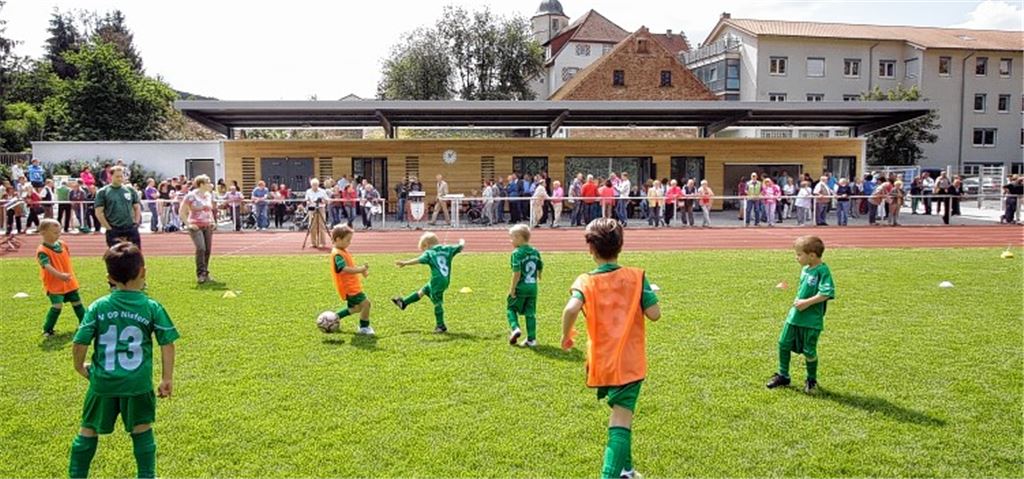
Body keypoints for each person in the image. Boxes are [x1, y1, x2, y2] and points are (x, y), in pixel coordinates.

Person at [68, 242, 179, 479]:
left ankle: (77, 475)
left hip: (102, 384)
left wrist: (79, 367)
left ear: (109, 277)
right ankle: (146, 475)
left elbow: (80, 342)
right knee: (141, 429)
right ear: (143, 272)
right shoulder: (150, 307)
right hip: (137, 384)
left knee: (88, 430)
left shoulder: (98, 307)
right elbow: (167, 342)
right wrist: (166, 377)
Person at [560, 218, 660, 479]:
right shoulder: (637, 277)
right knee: (621, 420)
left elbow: (571, 308)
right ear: (621, 246)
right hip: (629, 362)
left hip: (602, 362)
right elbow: (655, 314)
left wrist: (566, 336)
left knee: (620, 415)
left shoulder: (585, 281)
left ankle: (626, 469)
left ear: (590, 249)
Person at [766, 236, 835, 394]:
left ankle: (811, 380)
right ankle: (783, 375)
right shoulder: (805, 269)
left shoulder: (822, 271)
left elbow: (826, 292)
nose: (796, 258)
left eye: (799, 255)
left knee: (809, 350)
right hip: (795, 316)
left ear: (811, 255)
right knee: (783, 343)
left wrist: (806, 303)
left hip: (811, 320)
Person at [391, 233, 465, 334]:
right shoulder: (448, 249)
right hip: (444, 279)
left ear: (426, 244)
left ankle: (440, 325)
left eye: (423, 248)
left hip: (437, 280)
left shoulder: (430, 252)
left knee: (437, 302)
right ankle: (404, 303)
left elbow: (418, 260)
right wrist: (461, 241)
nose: (423, 251)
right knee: (423, 291)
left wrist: (405, 263)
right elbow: (460, 247)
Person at [36, 219, 86, 336]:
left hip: (69, 282)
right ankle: (47, 329)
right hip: (55, 284)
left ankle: (85, 323)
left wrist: (67, 275)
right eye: (54, 233)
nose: (58, 235)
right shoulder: (42, 250)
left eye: (59, 232)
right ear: (43, 232)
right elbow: (46, 266)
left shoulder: (63, 245)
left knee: (77, 303)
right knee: (57, 306)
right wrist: (60, 275)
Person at [328, 225, 374, 335]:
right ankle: (364, 327)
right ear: (338, 239)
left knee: (357, 307)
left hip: (352, 286)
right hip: (349, 288)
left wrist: (361, 270)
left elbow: (349, 266)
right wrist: (360, 269)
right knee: (366, 304)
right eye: (348, 240)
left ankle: (334, 318)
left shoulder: (342, 251)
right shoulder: (337, 254)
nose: (350, 243)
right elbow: (343, 269)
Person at [506, 224, 543, 347]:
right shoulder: (535, 251)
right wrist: (539, 276)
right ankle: (531, 339)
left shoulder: (517, 253)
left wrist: (512, 289)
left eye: (512, 238)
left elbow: (517, 273)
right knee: (530, 313)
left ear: (519, 238)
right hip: (533, 287)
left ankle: (515, 328)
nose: (511, 241)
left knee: (511, 308)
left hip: (521, 286)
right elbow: (540, 265)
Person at [178, 175, 218, 284]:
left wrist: (213, 221)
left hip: (207, 225)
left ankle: (205, 273)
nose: (211, 184)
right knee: (201, 248)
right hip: (196, 225)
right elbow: (182, 211)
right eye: (208, 182)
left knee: (207, 250)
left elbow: (209, 210)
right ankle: (200, 273)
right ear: (201, 184)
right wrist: (188, 224)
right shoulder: (191, 196)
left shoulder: (208, 195)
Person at [94, 166, 142, 248]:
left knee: (135, 256)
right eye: (117, 176)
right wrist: (109, 228)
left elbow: (137, 207)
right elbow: (99, 212)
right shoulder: (103, 192)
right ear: (111, 176)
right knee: (116, 257)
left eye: (121, 176)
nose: (120, 179)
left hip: (130, 228)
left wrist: (136, 224)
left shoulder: (130, 190)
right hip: (114, 228)